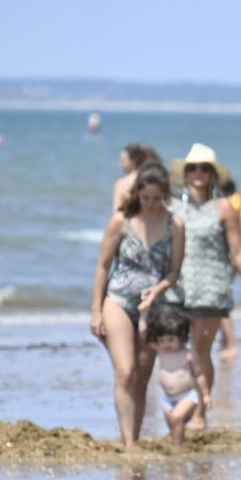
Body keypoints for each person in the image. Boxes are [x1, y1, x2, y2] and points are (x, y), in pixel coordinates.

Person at [91, 162, 185, 448]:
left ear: (165, 195)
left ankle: (135, 435)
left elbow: (174, 271)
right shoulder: (121, 220)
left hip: (153, 306)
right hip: (118, 300)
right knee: (125, 371)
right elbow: (102, 266)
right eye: (146, 198)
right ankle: (129, 443)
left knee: (143, 376)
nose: (152, 204)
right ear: (137, 194)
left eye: (157, 198)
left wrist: (159, 289)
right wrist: (96, 311)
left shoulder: (175, 225)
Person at [171, 143, 241, 430]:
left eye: (204, 168)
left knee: (201, 351)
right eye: (193, 168)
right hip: (177, 286)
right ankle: (179, 406)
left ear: (212, 174)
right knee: (175, 351)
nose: (198, 173)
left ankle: (200, 412)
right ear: (185, 174)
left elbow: (237, 250)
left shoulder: (224, 207)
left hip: (212, 287)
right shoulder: (173, 206)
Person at [147, 304, 209, 445]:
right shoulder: (161, 352)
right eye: (162, 341)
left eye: (170, 340)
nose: (166, 344)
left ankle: (178, 450)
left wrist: (205, 395)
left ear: (181, 337)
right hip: (167, 398)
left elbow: (199, 374)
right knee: (173, 425)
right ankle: (182, 443)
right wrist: (145, 314)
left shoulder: (188, 354)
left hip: (187, 396)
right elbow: (144, 334)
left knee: (176, 418)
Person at [215, 176, 241, 360]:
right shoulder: (238, 201)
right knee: (224, 295)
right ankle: (225, 340)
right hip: (236, 252)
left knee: (220, 298)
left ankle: (230, 343)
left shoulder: (223, 204)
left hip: (225, 254)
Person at [111, 143, 160, 214]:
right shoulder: (154, 179)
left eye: (123, 160)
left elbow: (116, 213)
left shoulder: (121, 183)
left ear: (134, 161)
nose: (120, 164)